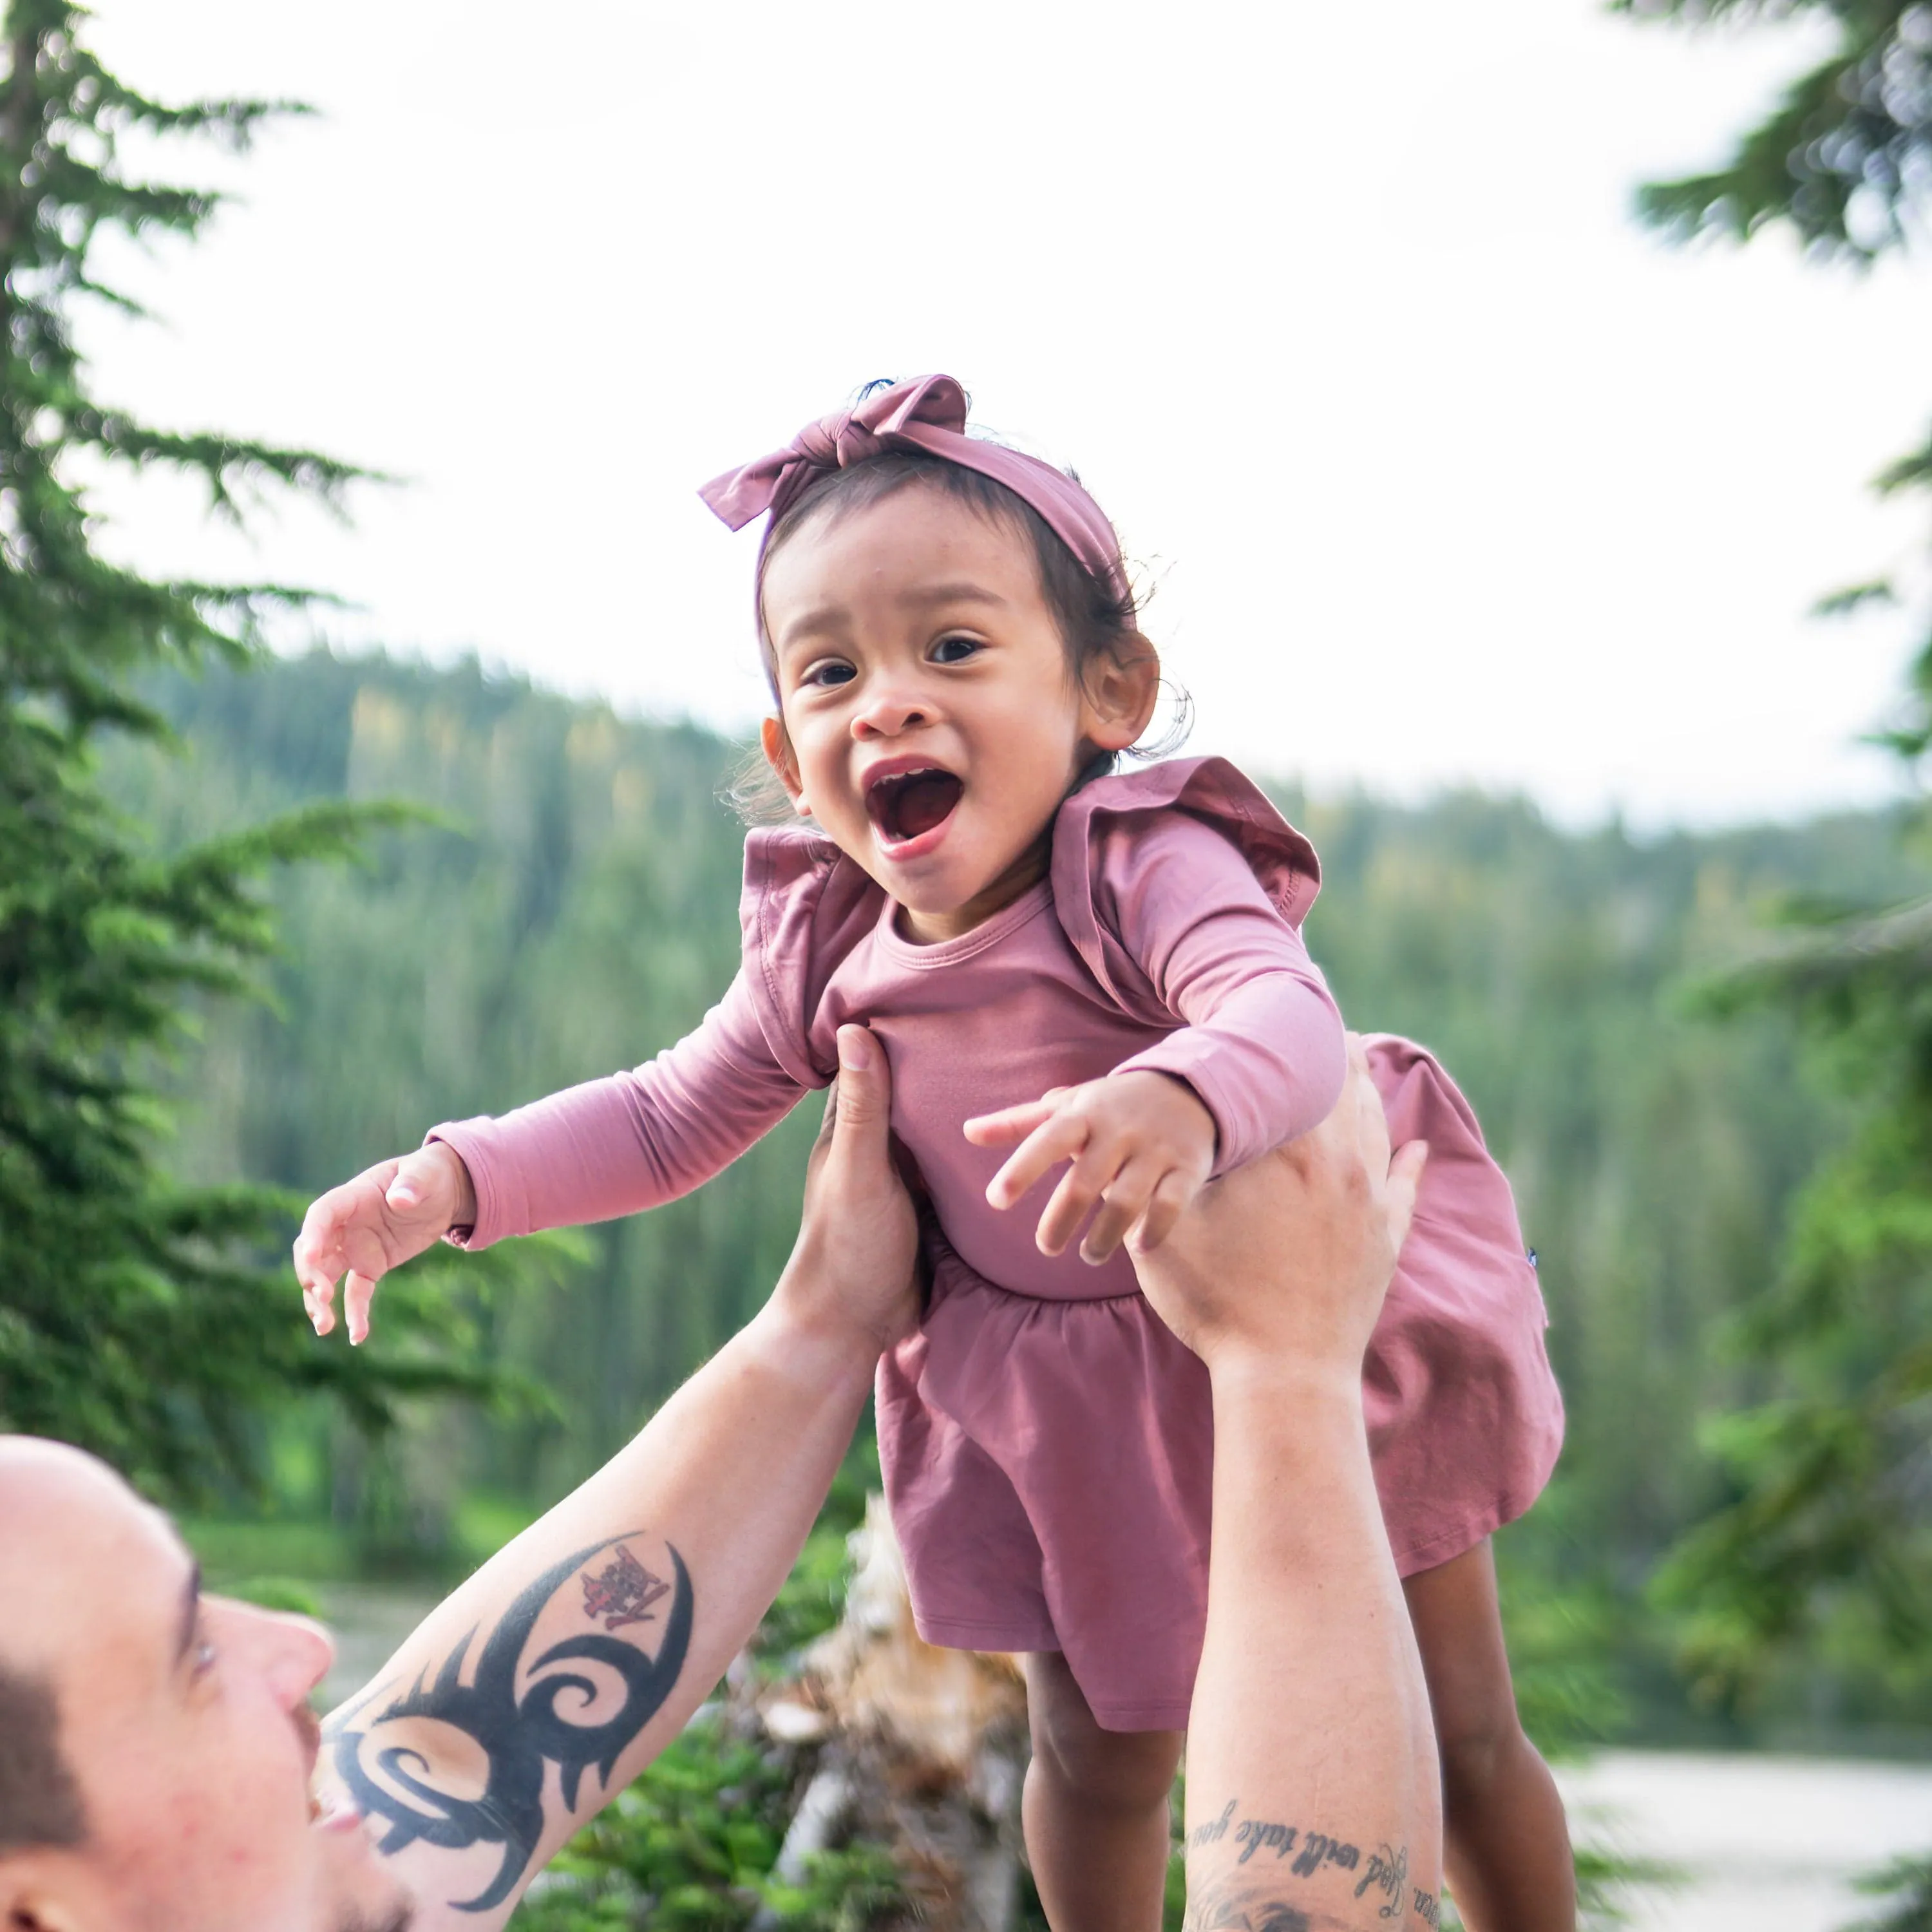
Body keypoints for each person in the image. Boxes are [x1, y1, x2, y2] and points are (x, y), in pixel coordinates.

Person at [292, 375, 1570, 1931]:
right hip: (1051, 1402)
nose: (884, 700)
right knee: (1095, 1753)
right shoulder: (827, 944)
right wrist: (458, 1180)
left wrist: (1179, 1098)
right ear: (786, 744)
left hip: (1299, 1334)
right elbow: (665, 1110)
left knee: (1457, 1723)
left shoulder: (1142, 867)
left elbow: (1283, 1017)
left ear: (1108, 690)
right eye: (831, 671)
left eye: (951, 647)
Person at [0, 1033, 1445, 1932]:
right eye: (192, 1658)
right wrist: (1287, 1375)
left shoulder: (319, 1874)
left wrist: (826, 1323)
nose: (308, 1651)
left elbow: (473, 1747)